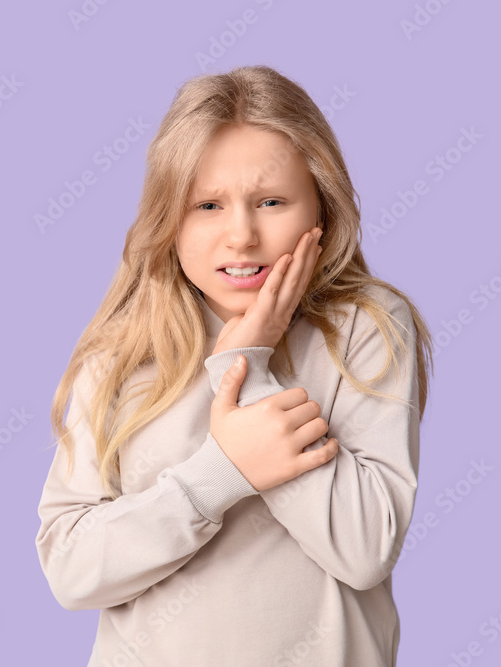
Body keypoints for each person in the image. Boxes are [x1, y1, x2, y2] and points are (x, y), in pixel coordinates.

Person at [34, 65, 435, 666]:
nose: (241, 236)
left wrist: (243, 368)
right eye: (208, 205)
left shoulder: (366, 326)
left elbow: (364, 549)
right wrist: (221, 474)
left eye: (271, 201)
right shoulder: (121, 351)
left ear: (320, 210)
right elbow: (72, 571)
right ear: (170, 218)